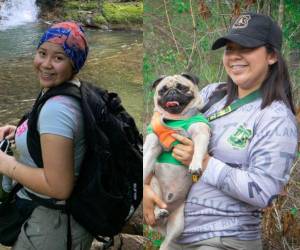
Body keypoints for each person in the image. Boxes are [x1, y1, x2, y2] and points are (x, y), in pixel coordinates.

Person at [143, 12, 298, 250]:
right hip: (177, 234)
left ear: (272, 56)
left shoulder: (275, 118)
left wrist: (204, 163)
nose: (235, 56)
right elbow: (163, 118)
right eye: (229, 48)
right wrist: (145, 187)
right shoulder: (213, 94)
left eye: (246, 47)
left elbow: (264, 191)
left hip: (223, 240)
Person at [0, 22, 93, 249]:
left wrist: (5, 164)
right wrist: (21, 131)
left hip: (54, 226)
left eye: (58, 58)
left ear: (74, 63)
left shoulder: (57, 109)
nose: (46, 64)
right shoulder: (68, 90)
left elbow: (59, 187)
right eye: (42, 53)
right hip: (56, 218)